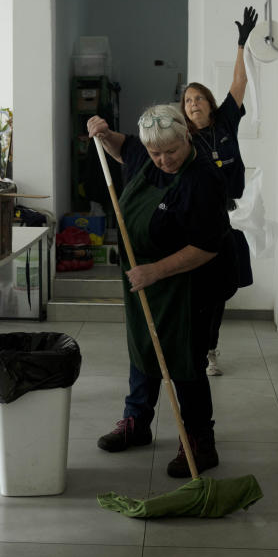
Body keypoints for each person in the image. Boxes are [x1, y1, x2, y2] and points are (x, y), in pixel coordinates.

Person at [87, 104, 237, 478]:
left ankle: (200, 442)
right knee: (143, 347)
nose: (163, 160)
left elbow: (206, 246)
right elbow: (124, 148)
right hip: (143, 280)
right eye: (156, 153)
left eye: (171, 151)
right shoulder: (145, 154)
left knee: (184, 361)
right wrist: (103, 134)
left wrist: (155, 271)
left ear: (187, 137)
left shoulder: (202, 179)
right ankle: (136, 422)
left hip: (190, 284)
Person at [180, 6, 257, 376]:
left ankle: (210, 347)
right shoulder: (183, 139)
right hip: (195, 221)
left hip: (225, 218)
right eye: (188, 101)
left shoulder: (225, 121)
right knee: (198, 289)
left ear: (209, 103)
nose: (193, 103)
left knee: (222, 288)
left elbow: (239, 84)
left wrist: (241, 44)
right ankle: (197, 347)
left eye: (198, 98)